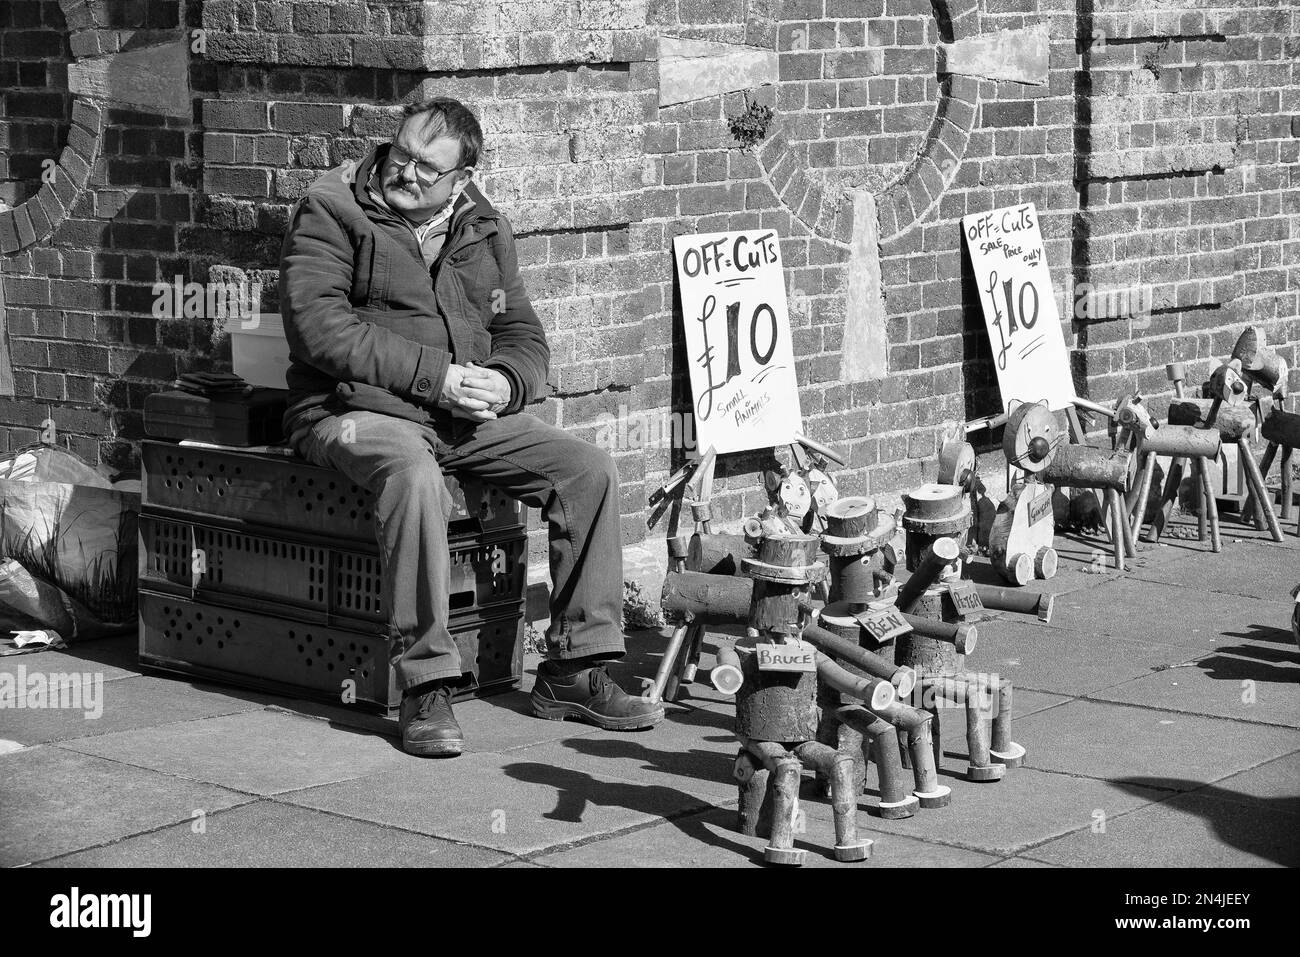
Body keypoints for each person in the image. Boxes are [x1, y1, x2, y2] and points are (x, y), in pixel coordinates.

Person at [278, 96, 663, 757]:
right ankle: (426, 681)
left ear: (461, 178)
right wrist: (442, 376)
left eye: (429, 167)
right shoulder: (333, 207)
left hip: (457, 416)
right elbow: (320, 329)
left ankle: (573, 666)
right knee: (414, 477)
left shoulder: (483, 226)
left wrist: (509, 381)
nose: (406, 171)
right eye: (400, 153)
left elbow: (521, 332)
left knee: (588, 471)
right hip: (352, 410)